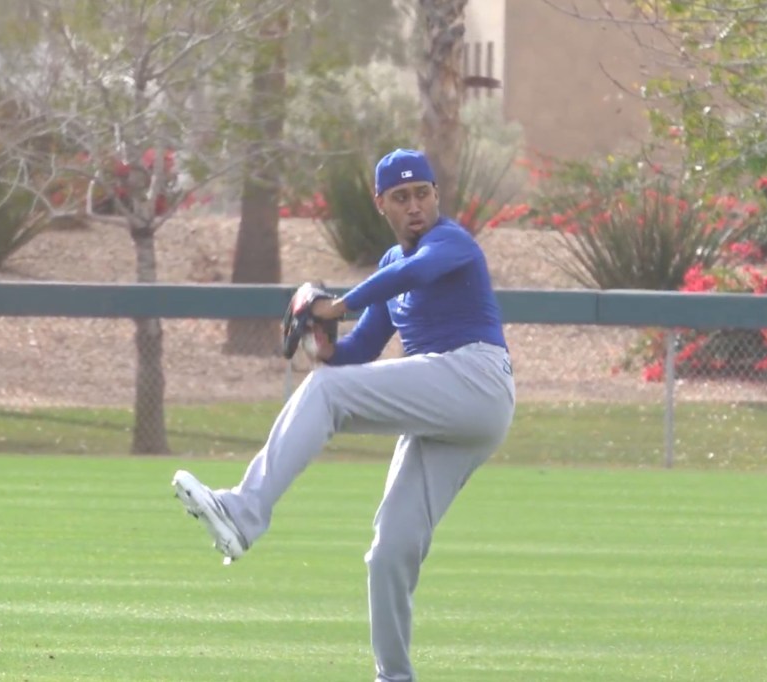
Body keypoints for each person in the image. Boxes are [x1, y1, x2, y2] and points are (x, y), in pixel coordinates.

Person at [171, 148, 516, 682]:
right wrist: (326, 347)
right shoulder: (389, 264)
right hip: (447, 409)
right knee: (389, 551)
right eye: (400, 197)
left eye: (422, 193)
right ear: (381, 204)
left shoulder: (451, 242)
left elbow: (418, 271)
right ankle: (394, 676)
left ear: (435, 195)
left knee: (327, 393)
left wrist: (336, 306)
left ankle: (243, 511)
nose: (414, 205)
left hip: (477, 379)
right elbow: (361, 350)